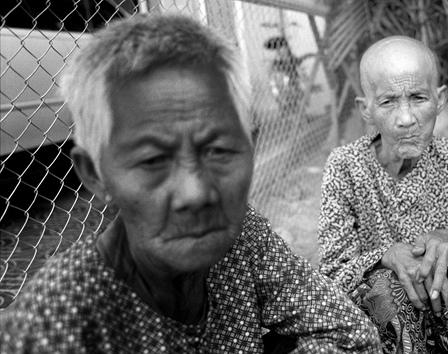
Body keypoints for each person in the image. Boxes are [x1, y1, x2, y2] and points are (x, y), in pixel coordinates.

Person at [0, 14, 382, 354]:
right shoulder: (56, 321)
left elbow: (350, 335)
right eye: (152, 160)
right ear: (95, 175)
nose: (197, 193)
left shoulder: (242, 237)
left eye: (218, 150)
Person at [318, 36, 448, 354]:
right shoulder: (344, 166)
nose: (406, 119)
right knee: (387, 288)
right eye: (388, 102)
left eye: (418, 98)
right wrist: (383, 256)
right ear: (366, 109)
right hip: (383, 320)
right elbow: (332, 273)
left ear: (439, 99)